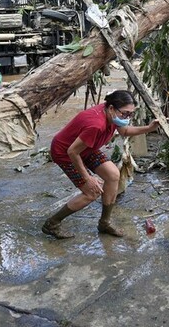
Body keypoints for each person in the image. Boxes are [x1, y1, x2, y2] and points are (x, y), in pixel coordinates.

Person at [43, 90, 159, 239]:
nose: (127, 117)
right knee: (92, 192)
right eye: (125, 113)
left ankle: (104, 223)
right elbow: (73, 152)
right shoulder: (96, 125)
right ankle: (52, 223)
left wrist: (149, 128)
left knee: (113, 175)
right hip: (66, 153)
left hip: (87, 148)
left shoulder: (113, 115)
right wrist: (88, 178)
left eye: (131, 114)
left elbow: (124, 131)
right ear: (111, 108)